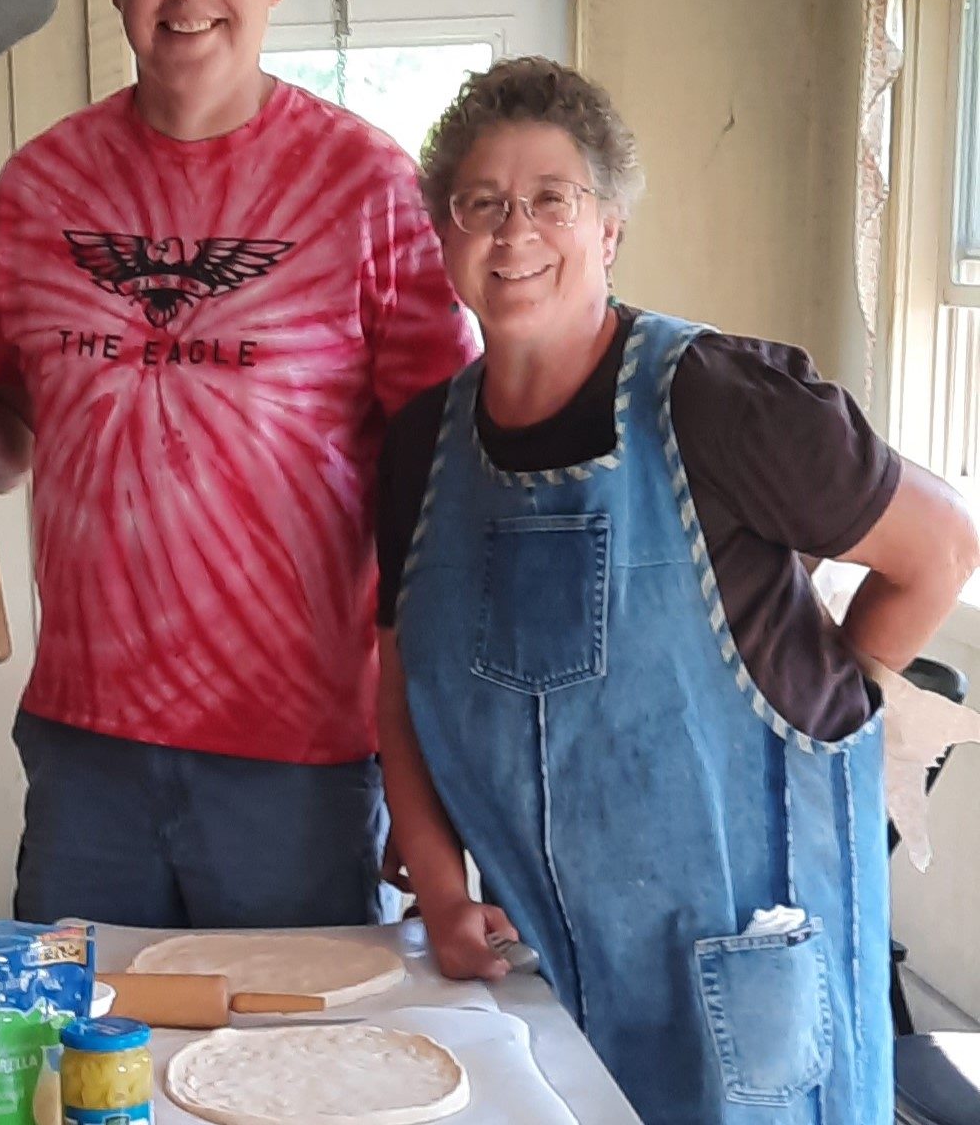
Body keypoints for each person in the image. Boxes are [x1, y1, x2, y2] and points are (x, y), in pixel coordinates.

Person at [375, 56, 980, 1124]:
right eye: (481, 204)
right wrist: (434, 876)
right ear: (445, 237)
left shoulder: (722, 402)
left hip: (742, 990)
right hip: (536, 980)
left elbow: (940, 545)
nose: (514, 231)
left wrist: (833, 713)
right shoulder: (423, 445)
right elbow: (401, 675)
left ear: (607, 228)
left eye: (551, 199)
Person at [0, 0, 474, 928]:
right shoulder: (35, 192)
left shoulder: (366, 187)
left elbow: (440, 487)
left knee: (288, 1085)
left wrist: (432, 765)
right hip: (86, 749)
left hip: (296, 755)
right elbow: (7, 453)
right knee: (84, 1072)